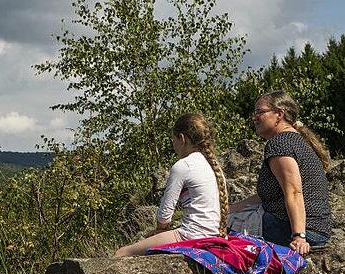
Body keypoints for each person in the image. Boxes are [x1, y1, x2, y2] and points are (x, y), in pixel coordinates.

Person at [229, 90, 332, 255]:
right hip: (318, 230)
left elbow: (294, 191)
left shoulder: (279, 143)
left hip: (290, 229)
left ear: (279, 114)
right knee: (229, 216)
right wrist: (232, 207)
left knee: (219, 227)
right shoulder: (298, 141)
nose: (254, 117)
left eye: (260, 112)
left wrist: (299, 236)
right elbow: (270, 195)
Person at [115, 113, 229, 257]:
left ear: (182, 138)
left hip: (191, 236)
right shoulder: (214, 166)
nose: (173, 145)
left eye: (173, 139)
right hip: (214, 236)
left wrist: (160, 230)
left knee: (122, 252)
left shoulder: (183, 166)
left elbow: (164, 216)